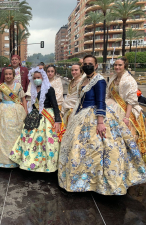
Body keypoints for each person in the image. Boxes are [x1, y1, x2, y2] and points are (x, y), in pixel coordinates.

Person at [58, 55, 146, 195]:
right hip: (81, 116)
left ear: (96, 65)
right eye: (85, 64)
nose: (87, 66)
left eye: (90, 63)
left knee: (100, 148)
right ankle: (82, 179)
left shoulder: (99, 80)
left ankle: (98, 182)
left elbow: (100, 101)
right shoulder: (84, 79)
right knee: (79, 148)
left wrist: (100, 122)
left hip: (95, 116)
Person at [9, 67, 63, 172]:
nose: (36, 79)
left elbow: (55, 105)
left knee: (46, 142)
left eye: (38, 77)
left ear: (43, 78)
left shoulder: (49, 89)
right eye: (34, 78)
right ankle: (29, 162)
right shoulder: (33, 89)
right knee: (28, 137)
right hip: (35, 116)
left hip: (47, 116)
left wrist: (57, 121)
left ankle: (46, 165)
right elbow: (32, 105)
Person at [106, 57, 146, 162]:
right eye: (115, 65)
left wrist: (127, 117)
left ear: (125, 66)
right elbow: (109, 94)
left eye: (120, 65)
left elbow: (131, 101)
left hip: (126, 109)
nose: (117, 67)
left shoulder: (130, 80)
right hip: (111, 107)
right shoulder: (113, 78)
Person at [0, 67, 27, 168]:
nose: (8, 76)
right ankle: (3, 161)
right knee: (3, 135)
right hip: (3, 112)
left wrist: (25, 112)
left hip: (17, 113)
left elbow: (23, 99)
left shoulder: (18, 86)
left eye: (10, 74)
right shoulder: (1, 87)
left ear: (13, 75)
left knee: (15, 134)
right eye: (6, 74)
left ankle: (15, 159)